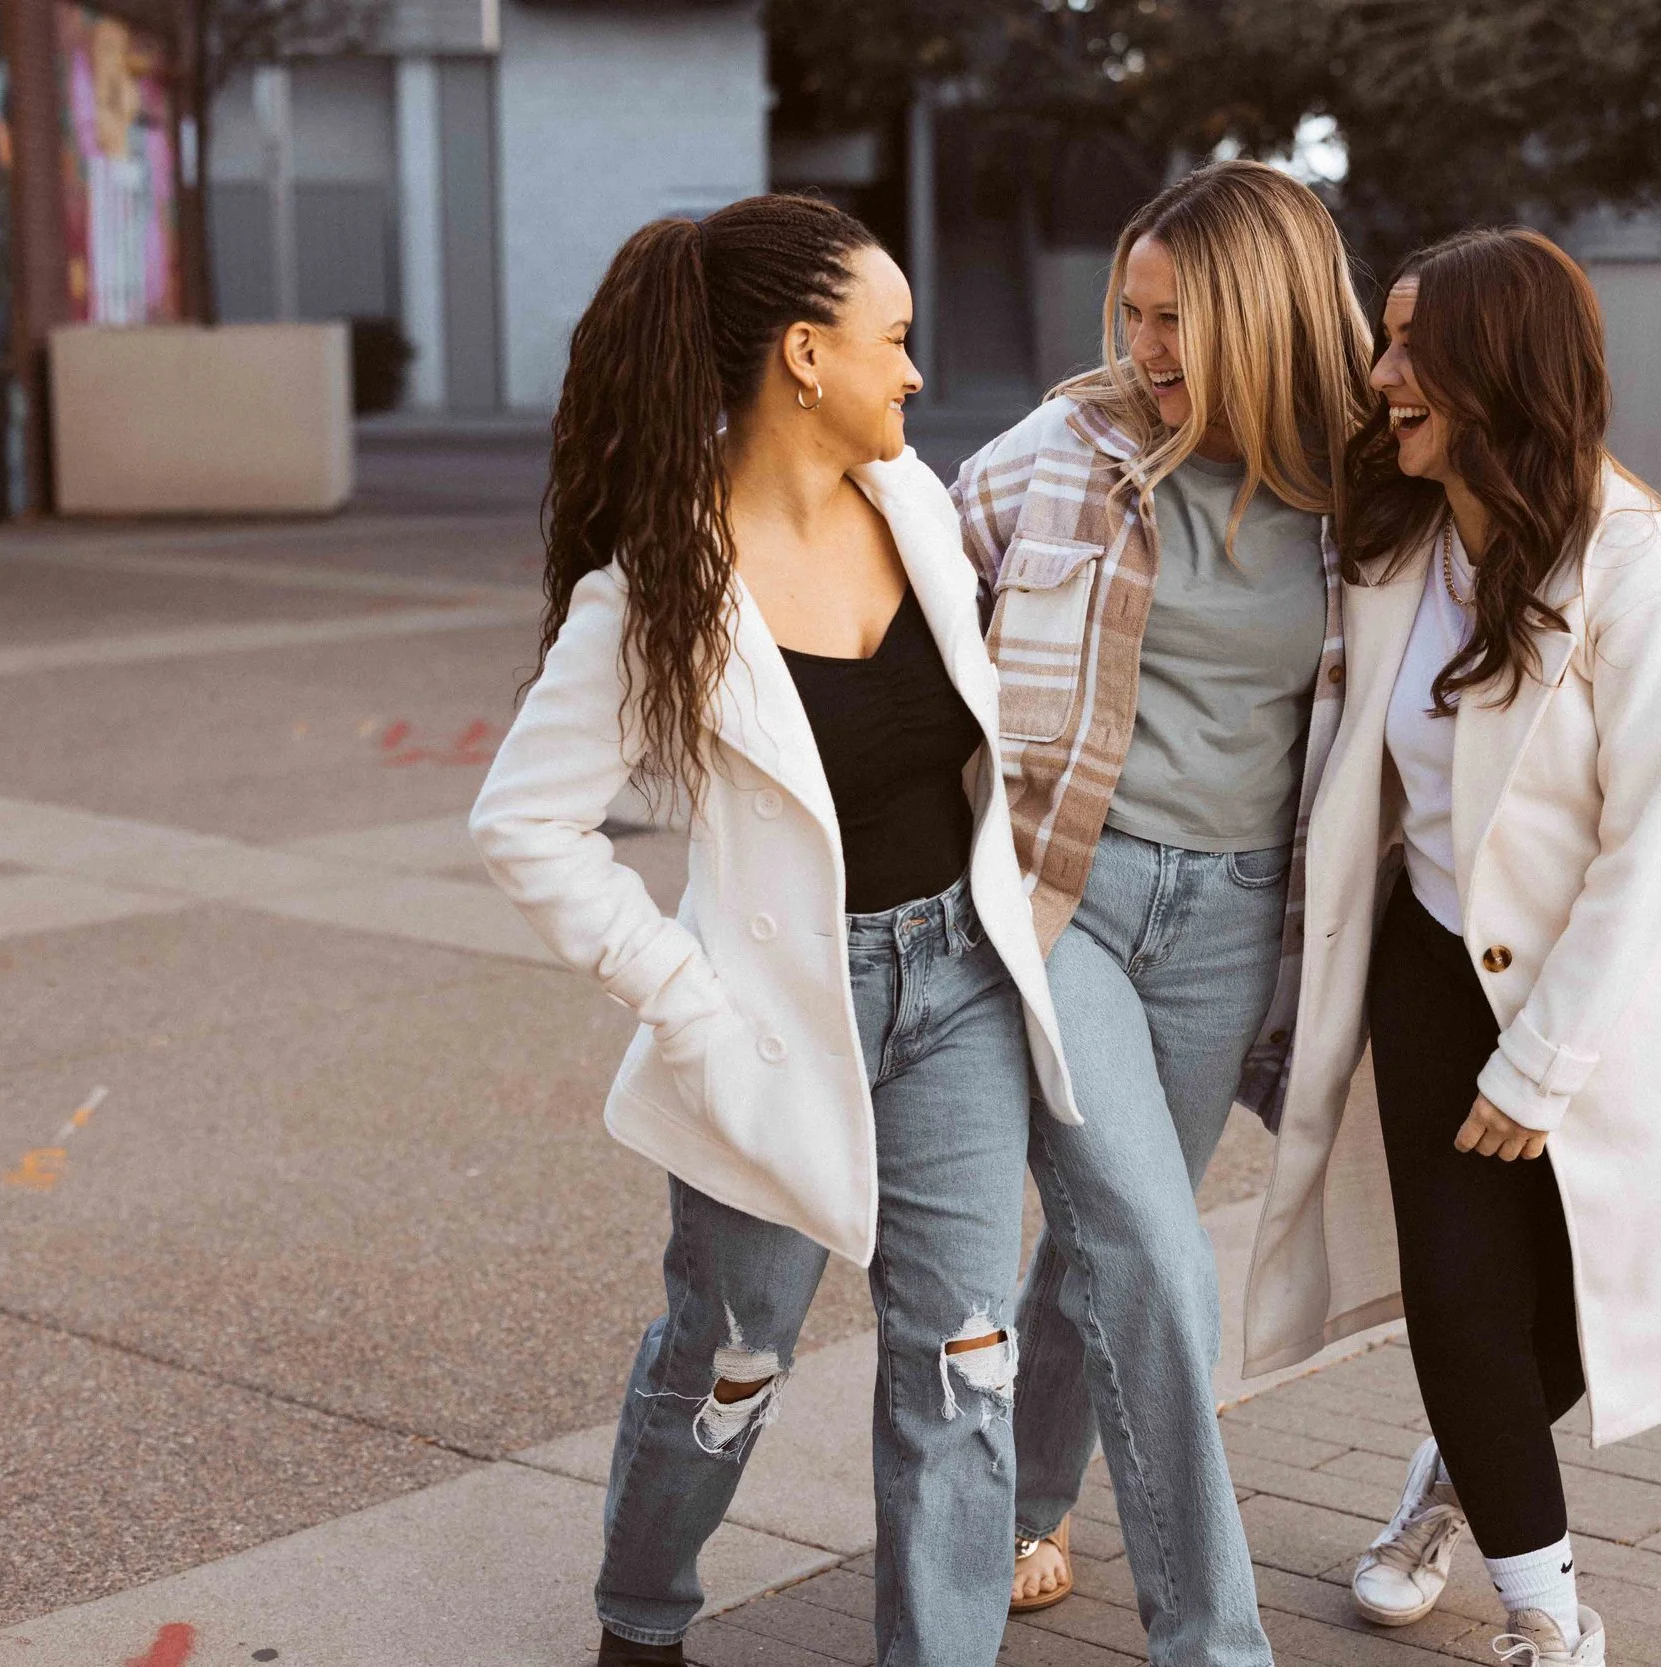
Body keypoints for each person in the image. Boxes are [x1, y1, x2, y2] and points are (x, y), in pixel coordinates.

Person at [469, 193, 1081, 1667]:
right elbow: (522, 822)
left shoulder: (917, 508)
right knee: (731, 1361)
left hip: (955, 987)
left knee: (965, 1364)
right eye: (894, 338)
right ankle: (642, 1618)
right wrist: (686, 1004)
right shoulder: (660, 582)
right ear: (806, 356)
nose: (915, 370)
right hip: (771, 1021)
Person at [1239, 228, 1661, 1667]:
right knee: (1462, 1294)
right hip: (1434, 964)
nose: (1381, 374)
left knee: (1588, 1316)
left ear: (1502, 369)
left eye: (1412, 346)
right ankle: (1546, 1612)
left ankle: (1456, 1477)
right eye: (1383, 340)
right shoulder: (1394, 533)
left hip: (1627, 990)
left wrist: (1541, 1065)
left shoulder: (1641, 572)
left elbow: (1645, 853)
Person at [951, 159, 1374, 1665]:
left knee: (1106, 1249)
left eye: (1178, 318)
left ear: (1266, 316)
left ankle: (1014, 1507)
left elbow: (1540, 557)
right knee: (1156, 1253)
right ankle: (1213, 1635)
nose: (1145, 346)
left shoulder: (1370, 483)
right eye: (1131, 312)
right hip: (1068, 890)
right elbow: (908, 596)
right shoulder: (1064, 449)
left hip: (1237, 922)